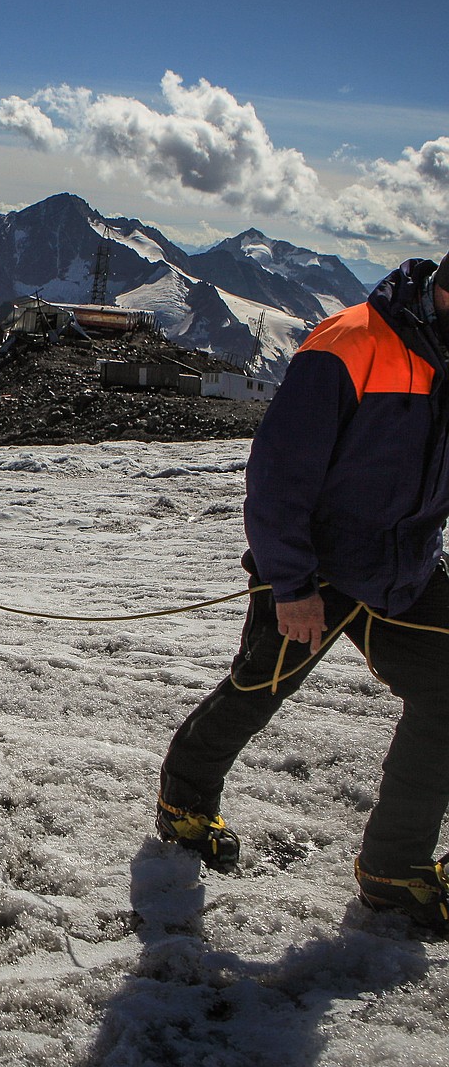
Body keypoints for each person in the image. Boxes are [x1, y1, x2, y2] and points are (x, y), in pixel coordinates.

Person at [157, 250, 449, 934]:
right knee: (259, 687)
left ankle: (392, 871)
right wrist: (289, 584)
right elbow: (279, 472)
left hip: (403, 568)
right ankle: (184, 801)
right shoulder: (351, 342)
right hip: (314, 566)